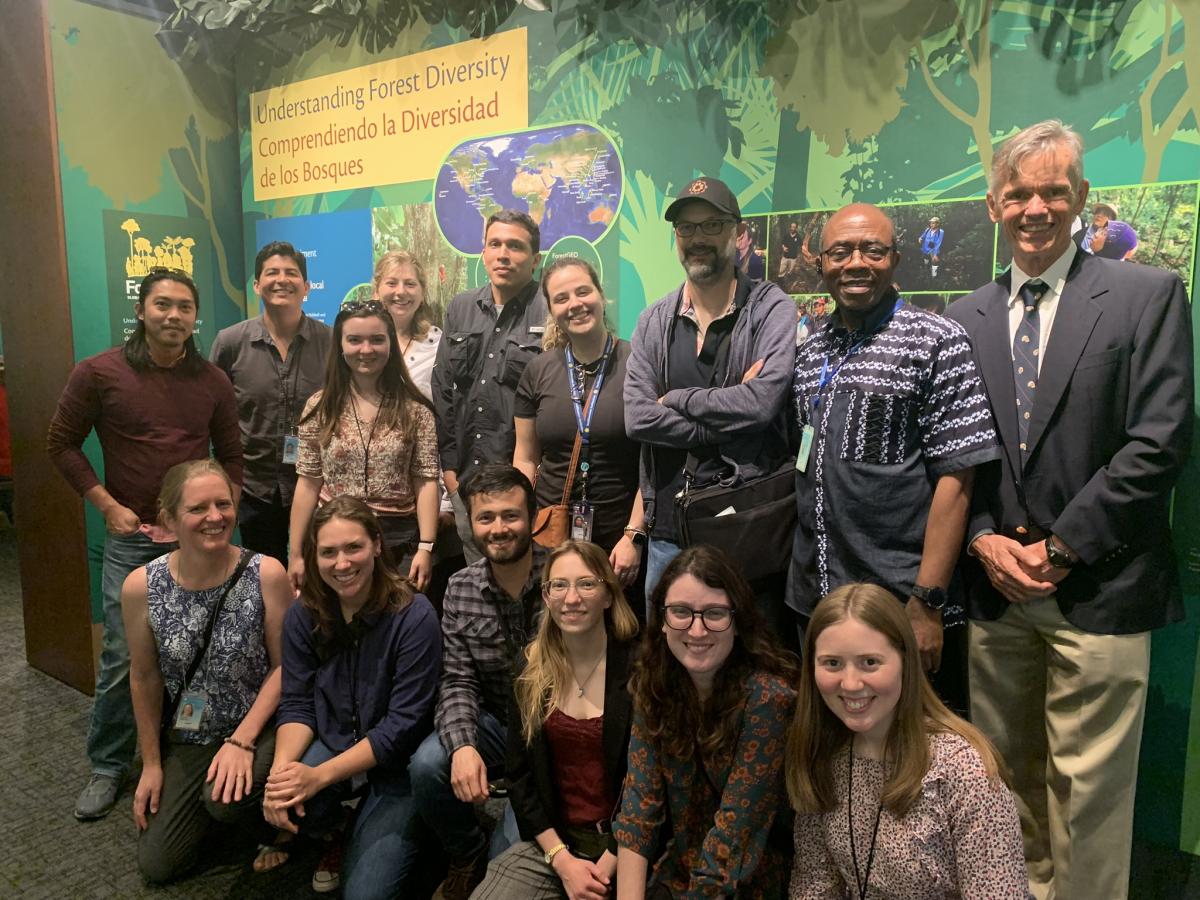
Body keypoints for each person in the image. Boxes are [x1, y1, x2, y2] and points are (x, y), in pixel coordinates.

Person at [945, 120, 1193, 900]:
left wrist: (1059, 551)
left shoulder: (1146, 296)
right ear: (993, 205)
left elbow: (1159, 442)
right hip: (995, 597)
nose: (1036, 207)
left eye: (1055, 190)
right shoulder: (963, 316)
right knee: (1004, 789)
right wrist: (983, 540)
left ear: (1083, 199)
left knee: (1090, 805)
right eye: (1018, 193)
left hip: (1101, 590)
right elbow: (957, 452)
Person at [47, 268, 243, 821]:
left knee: (207, 648)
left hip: (199, 542)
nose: (174, 315)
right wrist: (108, 507)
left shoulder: (211, 381)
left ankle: (189, 746)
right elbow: (60, 443)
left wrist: (217, 513)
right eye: (163, 304)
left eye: (184, 306)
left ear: (194, 316)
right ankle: (109, 765)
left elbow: (232, 456)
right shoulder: (99, 373)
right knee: (122, 657)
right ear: (142, 310)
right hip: (134, 541)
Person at [788, 203, 999, 713]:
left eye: (872, 250)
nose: (855, 263)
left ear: (895, 259)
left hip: (898, 604)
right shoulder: (812, 348)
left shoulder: (937, 341)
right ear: (821, 262)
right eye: (840, 251)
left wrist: (927, 602)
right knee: (828, 751)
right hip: (815, 597)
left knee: (916, 764)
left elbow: (958, 479)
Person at [786, 583, 1028, 899]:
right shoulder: (825, 755)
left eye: (869, 662)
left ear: (905, 662)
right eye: (832, 663)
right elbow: (814, 887)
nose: (850, 683)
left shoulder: (963, 770)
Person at [624, 176, 795, 599]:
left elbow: (762, 404)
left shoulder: (771, 307)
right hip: (667, 531)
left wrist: (680, 400)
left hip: (745, 521)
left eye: (712, 225)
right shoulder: (653, 320)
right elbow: (638, 417)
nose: (697, 238)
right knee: (667, 658)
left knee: (751, 656)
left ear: (738, 232)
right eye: (687, 228)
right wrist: (730, 419)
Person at [122, 459, 290, 883]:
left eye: (223, 504)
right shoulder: (142, 586)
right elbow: (144, 678)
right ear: (170, 519)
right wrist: (152, 764)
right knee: (158, 866)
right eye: (199, 508)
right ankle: (222, 814)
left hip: (261, 725)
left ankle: (272, 828)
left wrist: (243, 739)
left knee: (224, 800)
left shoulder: (266, 573)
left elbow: (287, 667)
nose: (215, 517)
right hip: (191, 730)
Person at [263, 496, 441, 897]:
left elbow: (402, 727)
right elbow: (296, 702)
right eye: (328, 552)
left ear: (377, 545)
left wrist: (317, 777)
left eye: (353, 547)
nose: (342, 564)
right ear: (314, 555)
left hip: (398, 764)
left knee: (365, 895)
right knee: (282, 791)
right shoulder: (303, 613)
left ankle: (415, 828)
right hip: (334, 739)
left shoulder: (414, 616)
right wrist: (282, 777)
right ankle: (338, 828)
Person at [614, 546, 798, 898]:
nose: (697, 631)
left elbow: (734, 834)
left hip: (751, 880)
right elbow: (639, 810)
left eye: (714, 613)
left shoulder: (769, 698)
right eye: (681, 612)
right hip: (682, 870)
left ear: (738, 619)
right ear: (663, 619)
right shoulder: (653, 686)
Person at [409, 464, 549, 900]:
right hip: (493, 722)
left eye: (511, 515)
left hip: (550, 732)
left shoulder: (564, 578)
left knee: (503, 869)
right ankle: (464, 850)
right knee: (429, 763)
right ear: (471, 522)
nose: (499, 528)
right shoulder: (460, 587)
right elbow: (456, 679)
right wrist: (464, 744)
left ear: (532, 516)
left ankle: (495, 854)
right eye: (486, 518)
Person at [473, 540, 640, 899]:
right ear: (547, 597)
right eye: (559, 585)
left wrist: (607, 863)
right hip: (556, 845)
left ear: (609, 595)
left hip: (631, 846)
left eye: (587, 583)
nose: (572, 597)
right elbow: (519, 778)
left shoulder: (639, 669)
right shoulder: (529, 668)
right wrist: (562, 861)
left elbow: (649, 784)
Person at [288, 300, 440, 593]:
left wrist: (426, 547)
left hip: (398, 542)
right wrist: (295, 553)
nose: (366, 350)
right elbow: (307, 483)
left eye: (377, 340)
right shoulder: (320, 407)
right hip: (336, 543)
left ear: (390, 345)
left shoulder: (416, 411)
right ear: (341, 345)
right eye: (355, 340)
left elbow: (426, 480)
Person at [513, 257, 644, 590]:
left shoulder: (638, 363)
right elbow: (526, 458)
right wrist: (522, 522)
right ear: (552, 310)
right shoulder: (537, 371)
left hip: (619, 540)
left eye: (583, 291)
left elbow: (654, 462)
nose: (575, 304)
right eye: (561, 298)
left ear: (601, 295)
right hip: (551, 535)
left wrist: (634, 534)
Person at [432, 210, 548, 564]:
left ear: (535, 259)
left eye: (515, 246)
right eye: (494, 244)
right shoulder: (461, 307)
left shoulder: (549, 309)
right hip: (468, 482)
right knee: (481, 588)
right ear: (483, 252)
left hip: (529, 487)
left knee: (534, 586)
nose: (503, 254)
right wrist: (451, 473)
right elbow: (444, 390)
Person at [210, 241, 331, 564]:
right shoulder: (230, 342)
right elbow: (213, 414)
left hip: (317, 486)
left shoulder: (330, 342)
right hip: (254, 490)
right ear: (256, 284)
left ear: (306, 287)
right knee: (262, 581)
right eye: (272, 272)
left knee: (319, 578)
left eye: (291, 273)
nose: (281, 280)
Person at [373, 249, 442, 400]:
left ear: (422, 294)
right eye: (391, 283)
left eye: (410, 284)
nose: (401, 291)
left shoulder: (438, 345)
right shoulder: (360, 342)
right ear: (376, 292)